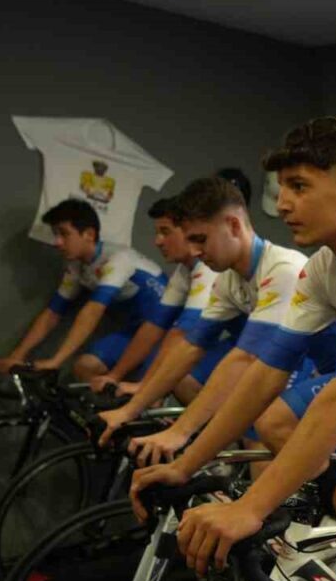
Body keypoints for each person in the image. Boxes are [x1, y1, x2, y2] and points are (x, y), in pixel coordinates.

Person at [157, 117, 336, 563]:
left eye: (298, 186)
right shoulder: (322, 268)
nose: (282, 204)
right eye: (282, 188)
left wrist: (249, 509)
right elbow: (264, 374)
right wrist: (184, 465)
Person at [96, 177, 306, 455]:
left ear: (233, 225)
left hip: (328, 368)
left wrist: (180, 432)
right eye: (190, 240)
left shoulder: (284, 269)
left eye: (200, 239)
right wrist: (130, 410)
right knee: (200, 390)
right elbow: (190, 347)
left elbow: (246, 358)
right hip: (284, 358)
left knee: (261, 430)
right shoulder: (227, 280)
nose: (194, 251)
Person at [0, 198, 167, 381]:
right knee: (85, 367)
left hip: (166, 329)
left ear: (89, 234)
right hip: (136, 330)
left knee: (149, 389)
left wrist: (55, 361)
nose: (57, 242)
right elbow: (53, 312)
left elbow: (93, 311)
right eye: (55, 234)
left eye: (64, 234)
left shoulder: (118, 258)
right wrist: (17, 356)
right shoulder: (76, 266)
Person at [86, 197, 236, 400]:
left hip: (264, 341)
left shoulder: (208, 268)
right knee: (178, 384)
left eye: (165, 232)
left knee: (183, 384)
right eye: (157, 233)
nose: (157, 241)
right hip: (239, 338)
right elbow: (154, 326)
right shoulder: (184, 271)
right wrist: (114, 376)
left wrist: (145, 386)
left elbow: (184, 332)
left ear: (189, 231)